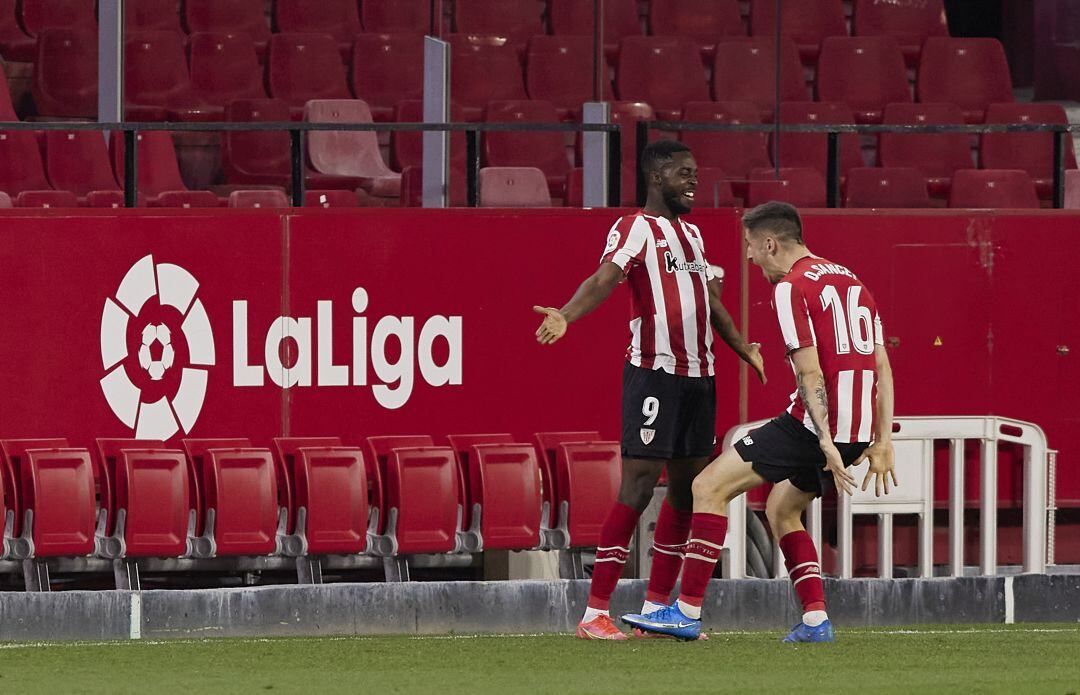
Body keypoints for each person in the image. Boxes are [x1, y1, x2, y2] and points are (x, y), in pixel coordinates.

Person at [622, 200, 898, 643]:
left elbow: (809, 374)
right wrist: (882, 440)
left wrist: (823, 440)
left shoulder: (791, 287)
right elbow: (882, 366)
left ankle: (687, 612)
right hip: (859, 429)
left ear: (770, 243)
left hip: (817, 426)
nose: (749, 257)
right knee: (782, 509)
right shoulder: (851, 280)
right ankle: (815, 621)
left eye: (751, 246)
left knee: (706, 487)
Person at [533, 140, 765, 641]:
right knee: (638, 488)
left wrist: (743, 347)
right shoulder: (635, 227)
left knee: (686, 492)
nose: (693, 182)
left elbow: (712, 304)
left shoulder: (695, 236)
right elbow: (604, 278)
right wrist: (566, 315)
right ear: (657, 177)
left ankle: (657, 611)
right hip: (654, 373)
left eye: (695, 174)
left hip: (700, 379)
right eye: (684, 173)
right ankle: (595, 612)